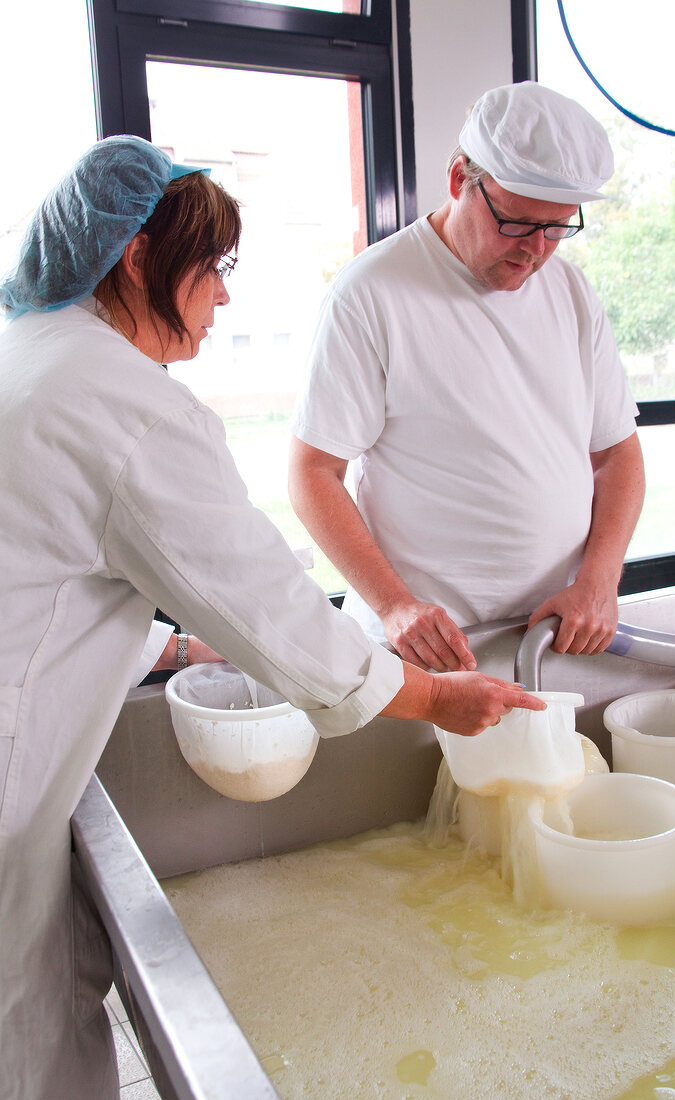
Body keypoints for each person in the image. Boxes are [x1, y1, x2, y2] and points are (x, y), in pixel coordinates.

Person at [0, 135, 544, 1100]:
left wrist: (174, 641)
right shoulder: (122, 404)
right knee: (23, 1037)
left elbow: (36, 579)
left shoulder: (30, 360)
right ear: (135, 257)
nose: (223, 298)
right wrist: (433, 698)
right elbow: (285, 615)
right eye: (213, 268)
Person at [288, 81, 646, 674]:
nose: (536, 250)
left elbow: (617, 456)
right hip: (426, 652)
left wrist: (599, 581)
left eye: (557, 228)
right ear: (460, 180)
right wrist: (396, 606)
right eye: (518, 223)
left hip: (549, 639)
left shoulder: (572, 293)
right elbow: (312, 473)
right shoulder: (373, 292)